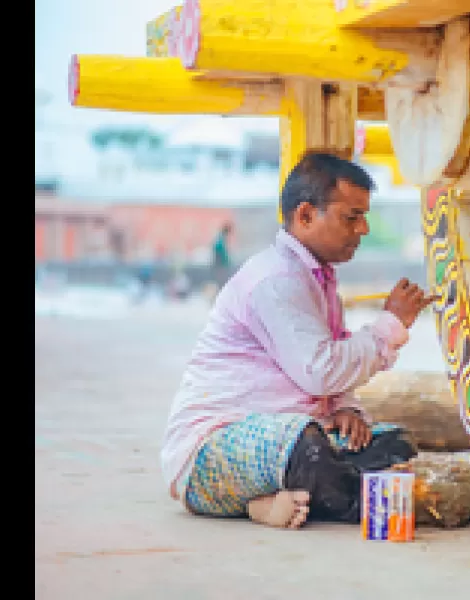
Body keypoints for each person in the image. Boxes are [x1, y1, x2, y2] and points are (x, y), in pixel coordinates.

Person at [160, 153, 434, 529]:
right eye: (351, 217)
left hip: (289, 435)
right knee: (308, 448)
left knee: (393, 444)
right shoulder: (276, 280)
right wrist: (390, 324)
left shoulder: (317, 280)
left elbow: (329, 362)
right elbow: (320, 371)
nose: (364, 229)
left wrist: (345, 409)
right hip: (214, 449)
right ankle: (356, 500)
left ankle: (285, 500)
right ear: (305, 216)